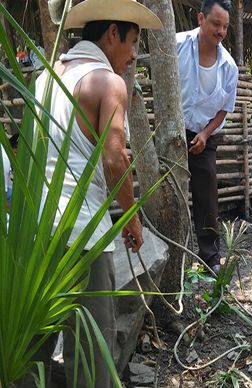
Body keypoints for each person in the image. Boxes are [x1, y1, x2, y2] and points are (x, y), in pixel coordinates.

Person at [34, 0, 162, 386]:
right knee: (91, 354)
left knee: (33, 349)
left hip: (39, 232)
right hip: (83, 236)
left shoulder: (47, 77)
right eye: (133, 41)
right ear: (112, 34)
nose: (134, 53)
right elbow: (114, 158)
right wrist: (131, 218)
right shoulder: (109, 82)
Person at [176, 0, 239, 274]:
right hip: (174, 131)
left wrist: (204, 133)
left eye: (225, 26)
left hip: (206, 136)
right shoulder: (176, 45)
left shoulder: (228, 67)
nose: (221, 31)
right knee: (170, 193)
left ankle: (210, 258)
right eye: (216, 23)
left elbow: (225, 108)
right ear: (201, 18)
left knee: (207, 194)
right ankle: (173, 252)